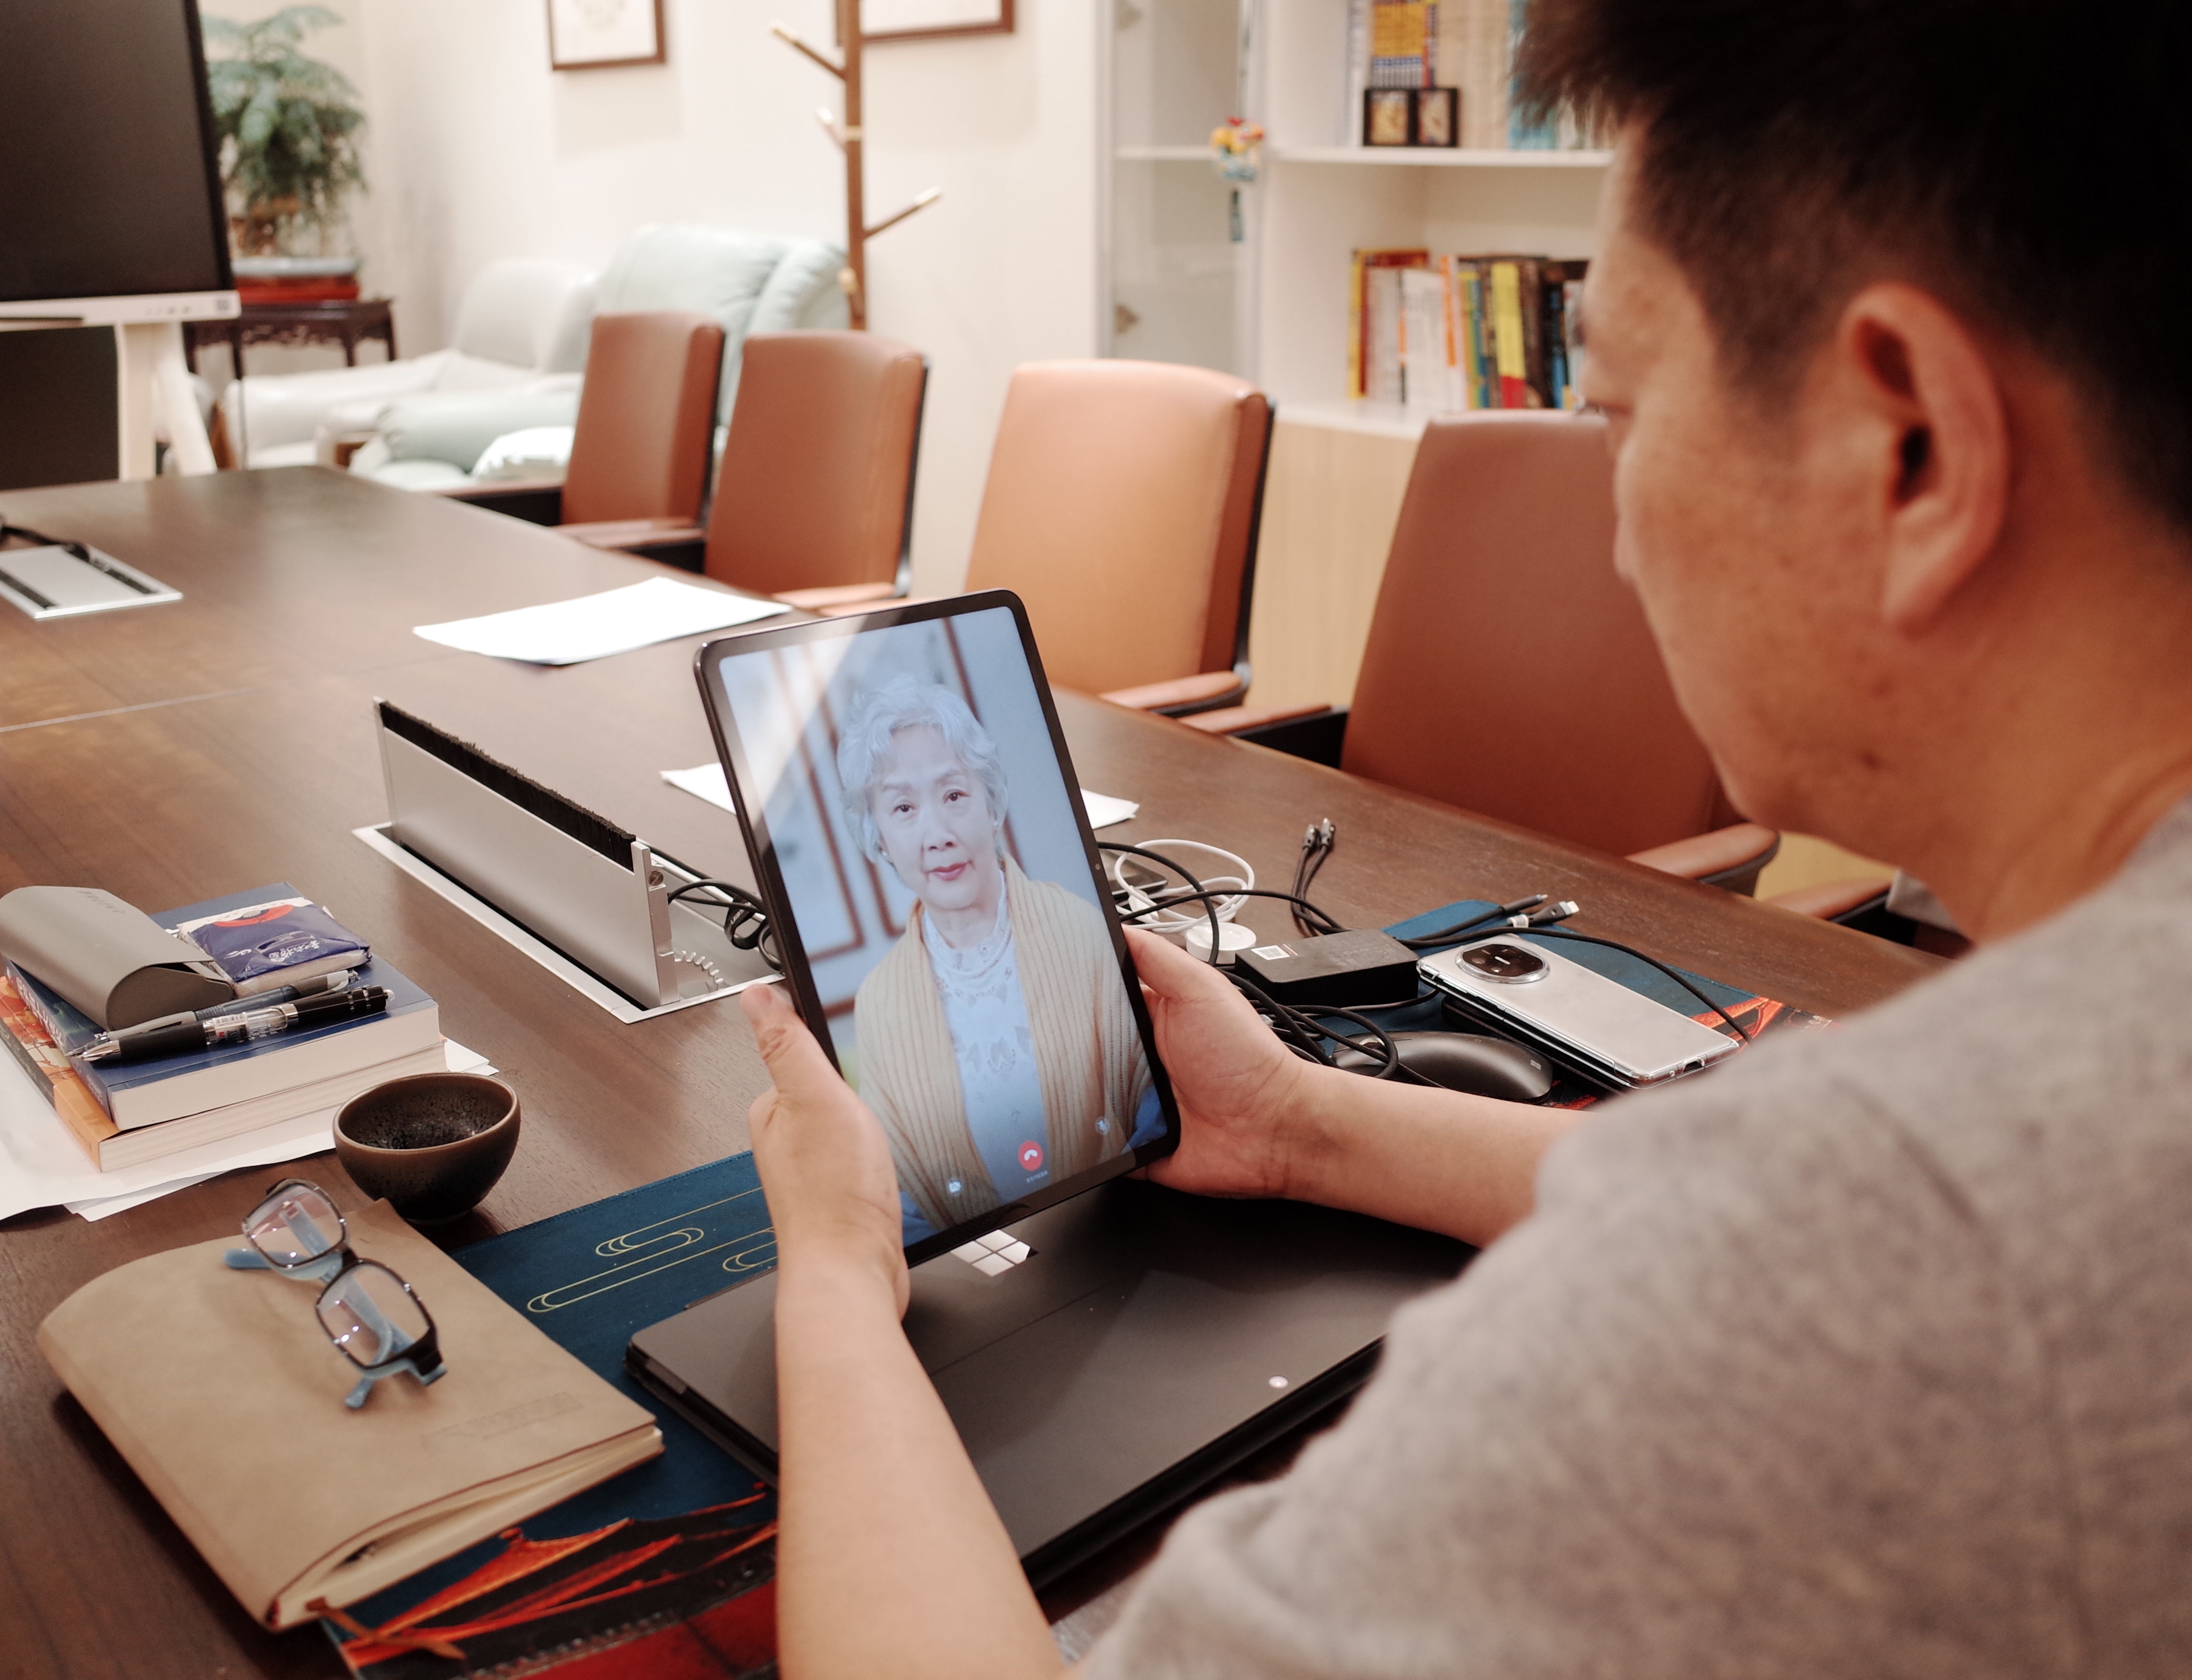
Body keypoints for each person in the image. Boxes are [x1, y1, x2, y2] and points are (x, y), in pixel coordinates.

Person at [737, 0, 2192, 1672]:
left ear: (1910, 446)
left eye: (1619, 414)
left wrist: (838, 1280)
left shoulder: (1873, 1256)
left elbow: (1820, 1240)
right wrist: (1300, 1124)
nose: (1619, 531)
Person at [836, 678, 1155, 1239]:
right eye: (904, 807)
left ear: (990, 803)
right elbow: (904, 1203)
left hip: (1123, 1227)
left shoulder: (1081, 930)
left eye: (954, 795)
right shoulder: (879, 1002)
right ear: (879, 838)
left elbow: (1151, 1116)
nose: (936, 834)